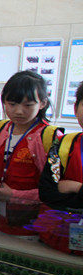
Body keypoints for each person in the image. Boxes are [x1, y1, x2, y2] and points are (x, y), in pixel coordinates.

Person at [0, 71, 61, 235]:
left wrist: (14, 195)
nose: (19, 111)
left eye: (28, 105)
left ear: (42, 103)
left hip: (32, 226)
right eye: (12, 104)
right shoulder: (1, 129)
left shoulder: (51, 137)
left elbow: (55, 190)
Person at [37, 84, 83, 255]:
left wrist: (76, 187)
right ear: (76, 108)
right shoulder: (63, 144)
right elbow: (47, 192)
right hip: (56, 240)